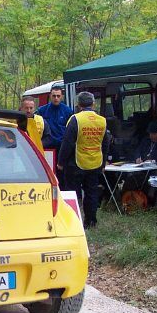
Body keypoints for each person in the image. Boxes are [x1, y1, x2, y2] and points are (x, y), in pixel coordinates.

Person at [57, 91, 110, 228]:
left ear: (78, 104)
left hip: (76, 163)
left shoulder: (75, 119)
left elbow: (67, 142)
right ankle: (91, 221)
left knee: (72, 193)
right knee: (92, 193)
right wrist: (103, 163)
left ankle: (73, 221)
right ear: (93, 104)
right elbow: (105, 143)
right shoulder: (102, 120)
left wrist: (61, 162)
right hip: (95, 162)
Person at [37, 83, 73, 151]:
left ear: (61, 96)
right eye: (54, 96)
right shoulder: (42, 110)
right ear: (50, 96)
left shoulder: (68, 111)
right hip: (47, 146)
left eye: (58, 96)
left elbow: (70, 131)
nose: (56, 98)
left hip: (62, 146)